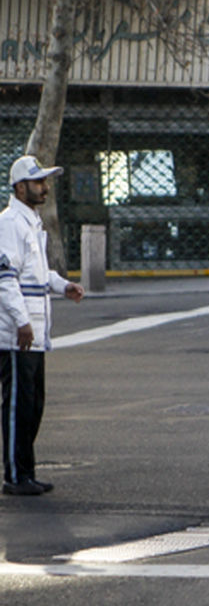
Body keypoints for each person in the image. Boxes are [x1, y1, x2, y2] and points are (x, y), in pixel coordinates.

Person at [0, 156, 85, 496]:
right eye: (38, 183)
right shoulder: (9, 224)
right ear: (20, 187)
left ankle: (26, 472)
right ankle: (16, 476)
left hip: (34, 334)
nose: (44, 188)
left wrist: (64, 285)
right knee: (18, 407)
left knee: (34, 405)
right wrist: (21, 322)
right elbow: (6, 279)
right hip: (16, 334)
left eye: (45, 182)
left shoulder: (31, 223)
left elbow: (39, 274)